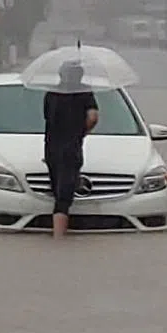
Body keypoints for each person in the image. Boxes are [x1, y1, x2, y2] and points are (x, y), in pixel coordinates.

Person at [42, 60, 99, 238]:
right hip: (71, 149)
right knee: (63, 199)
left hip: (51, 149)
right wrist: (82, 131)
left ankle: (57, 236)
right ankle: (59, 239)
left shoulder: (51, 94)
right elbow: (93, 116)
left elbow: (48, 119)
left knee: (57, 190)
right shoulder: (84, 93)